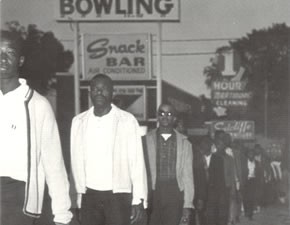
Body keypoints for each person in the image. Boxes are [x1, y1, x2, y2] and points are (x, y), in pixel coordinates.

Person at [0, 30, 72, 225]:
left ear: (21, 60)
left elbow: (54, 164)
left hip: (17, 198)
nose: (3, 58)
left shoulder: (38, 105)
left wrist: (62, 213)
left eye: (10, 52)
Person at [70, 73, 147, 225]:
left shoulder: (127, 120)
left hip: (118, 195)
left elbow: (137, 162)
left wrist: (138, 199)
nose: (99, 92)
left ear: (112, 92)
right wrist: (78, 199)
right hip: (89, 195)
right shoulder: (78, 122)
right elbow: (75, 162)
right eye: (95, 89)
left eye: (104, 89)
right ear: (90, 92)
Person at [142, 103, 194, 225]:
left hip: (174, 193)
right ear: (157, 116)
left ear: (175, 118)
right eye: (161, 113)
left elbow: (188, 176)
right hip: (152, 192)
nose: (165, 116)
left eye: (169, 114)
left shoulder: (185, 143)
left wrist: (187, 205)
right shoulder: (145, 140)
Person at [241, 148, 262, 220]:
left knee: (252, 197)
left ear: (254, 155)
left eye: (252, 154)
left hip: (253, 181)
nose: (251, 155)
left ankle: (250, 214)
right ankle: (247, 211)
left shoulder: (257, 162)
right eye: (249, 154)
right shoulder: (243, 162)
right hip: (246, 181)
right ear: (247, 155)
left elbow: (259, 173)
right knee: (245, 197)